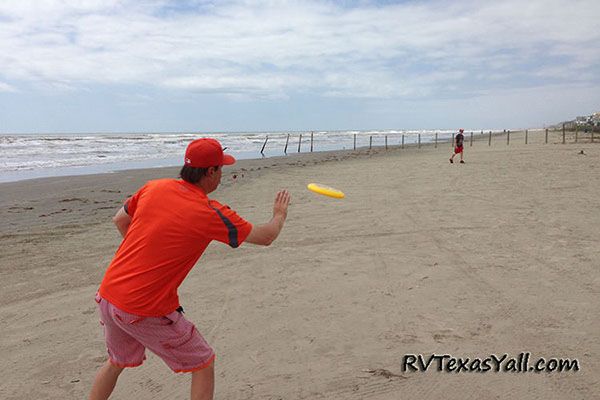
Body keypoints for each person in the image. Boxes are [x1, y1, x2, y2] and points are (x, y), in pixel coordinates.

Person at [88, 138, 291, 400]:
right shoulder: (209, 211)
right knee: (203, 362)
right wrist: (279, 215)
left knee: (116, 361)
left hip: (108, 295)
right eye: (220, 169)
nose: (221, 175)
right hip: (142, 308)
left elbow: (120, 219)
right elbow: (266, 236)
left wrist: (147, 255)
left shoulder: (154, 187)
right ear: (210, 172)